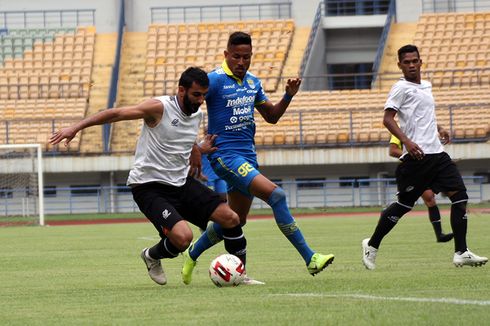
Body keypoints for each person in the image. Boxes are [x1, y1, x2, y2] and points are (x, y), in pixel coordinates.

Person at [49, 67, 248, 285]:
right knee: (183, 238)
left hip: (180, 182)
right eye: (196, 94)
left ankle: (241, 274)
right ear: (181, 90)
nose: (201, 100)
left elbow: (182, 136)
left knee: (231, 218)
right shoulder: (158, 108)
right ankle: (151, 256)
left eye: (203, 95)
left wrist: (197, 150)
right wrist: (76, 128)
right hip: (148, 186)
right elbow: (116, 114)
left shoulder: (196, 114)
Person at [181, 31, 334, 285]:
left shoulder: (253, 82)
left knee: (236, 220)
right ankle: (310, 258)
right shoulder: (214, 81)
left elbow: (271, 117)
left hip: (248, 157)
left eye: (247, 57)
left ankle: (193, 253)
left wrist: (288, 96)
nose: (242, 62)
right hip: (225, 157)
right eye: (237, 57)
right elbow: (189, 107)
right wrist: (194, 146)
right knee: (277, 195)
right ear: (226, 55)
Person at [361, 45, 487, 270]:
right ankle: (371, 244)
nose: (411, 65)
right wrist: (407, 142)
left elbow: (423, 114)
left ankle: (461, 252)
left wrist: (439, 128)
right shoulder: (400, 88)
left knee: (460, 196)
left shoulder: (426, 85)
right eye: (406, 62)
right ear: (400, 65)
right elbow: (388, 119)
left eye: (415, 61)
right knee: (403, 206)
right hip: (417, 159)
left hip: (438, 155)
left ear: (421, 62)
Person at [389, 134, 453, 243]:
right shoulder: (399, 131)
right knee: (404, 204)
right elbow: (392, 151)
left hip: (424, 169)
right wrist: (412, 154)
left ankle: (439, 234)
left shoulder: (423, 130)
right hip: (410, 171)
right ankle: (386, 214)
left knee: (430, 198)